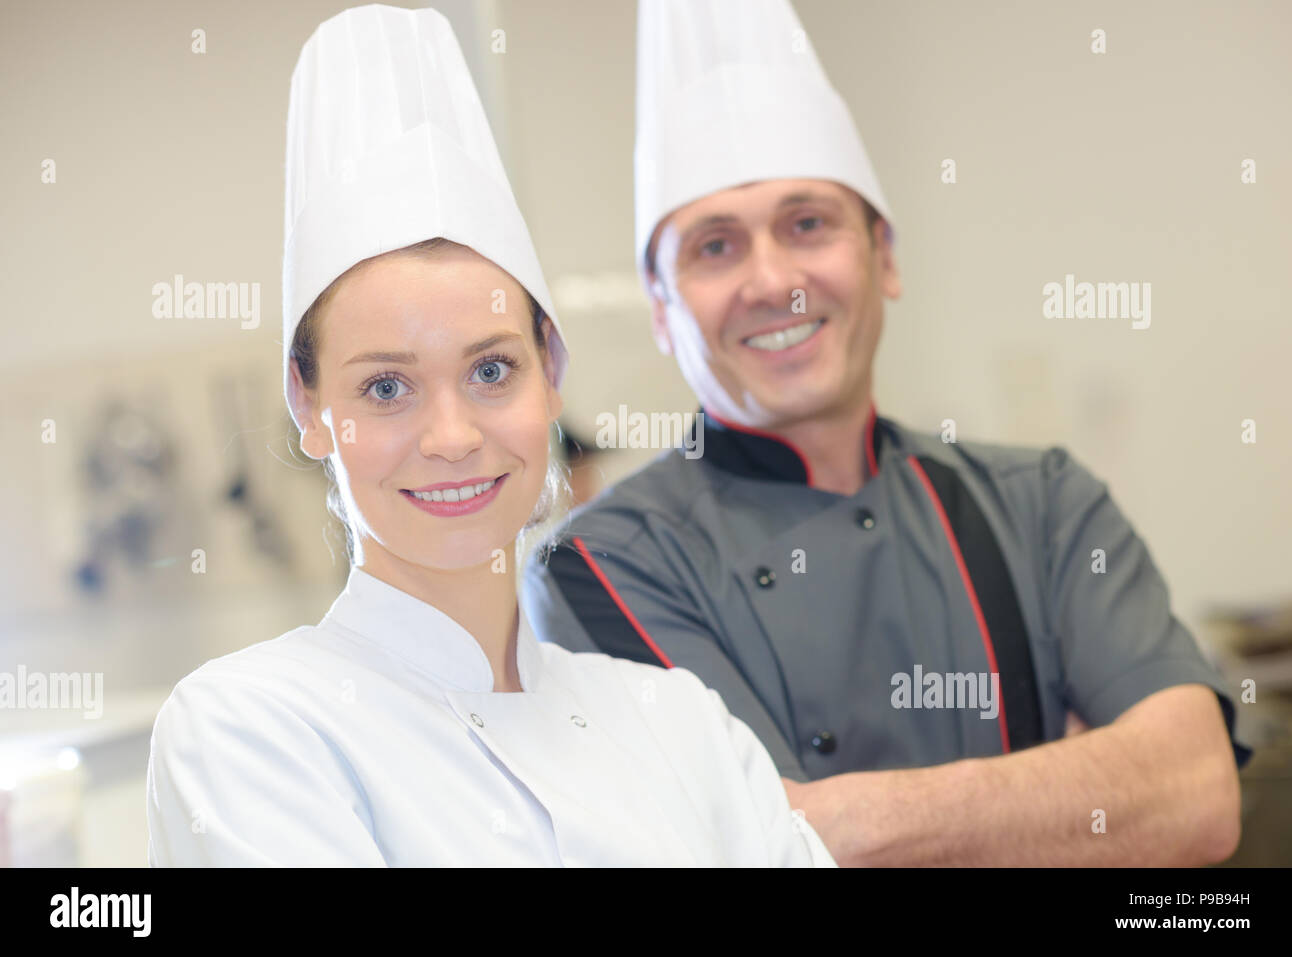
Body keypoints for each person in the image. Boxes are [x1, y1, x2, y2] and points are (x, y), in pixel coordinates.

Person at [521, 0, 1252, 866]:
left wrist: (830, 818)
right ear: (661, 308)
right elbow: (750, 849)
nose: (775, 282)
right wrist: (1079, 782)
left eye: (808, 224)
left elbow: (1197, 793)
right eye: (714, 247)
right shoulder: (601, 567)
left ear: (885, 255)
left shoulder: (1045, 502)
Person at [145, 4, 835, 868]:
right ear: (310, 408)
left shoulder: (682, 723)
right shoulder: (249, 729)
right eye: (386, 386)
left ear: (552, 372)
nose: (451, 435)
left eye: (491, 370)